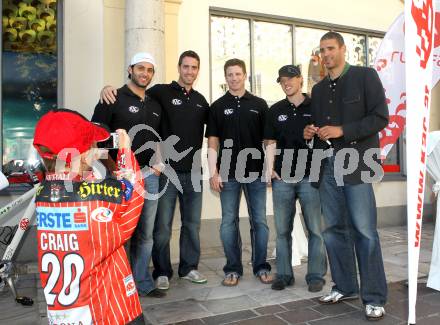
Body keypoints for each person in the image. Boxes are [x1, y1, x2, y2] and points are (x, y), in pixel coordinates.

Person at [100, 50, 210, 290]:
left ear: (197, 71)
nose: (189, 71)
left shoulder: (201, 101)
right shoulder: (161, 92)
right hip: (156, 173)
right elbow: (127, 96)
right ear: (179, 68)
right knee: (160, 227)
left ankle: (187, 268)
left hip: (184, 172)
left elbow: (213, 133)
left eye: (194, 68)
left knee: (189, 225)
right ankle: (160, 272)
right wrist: (107, 88)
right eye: (186, 67)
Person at [304, 31, 389, 320]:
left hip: (358, 163)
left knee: (365, 232)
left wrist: (343, 130)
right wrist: (310, 133)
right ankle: (345, 286)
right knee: (333, 231)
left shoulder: (366, 76)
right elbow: (318, 129)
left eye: (330, 48)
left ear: (342, 49)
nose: (326, 54)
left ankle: (375, 297)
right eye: (322, 50)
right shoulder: (317, 90)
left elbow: (380, 117)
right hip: (327, 166)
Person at [33, 109, 145, 324]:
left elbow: (72, 182)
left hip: (64, 314)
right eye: (91, 145)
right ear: (82, 154)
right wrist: (125, 152)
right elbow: (134, 194)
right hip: (109, 311)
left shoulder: (43, 195)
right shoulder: (98, 201)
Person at [92, 52, 165, 298]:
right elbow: (95, 139)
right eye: (140, 68)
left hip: (149, 177)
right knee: (120, 234)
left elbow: (158, 138)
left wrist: (158, 163)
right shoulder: (112, 98)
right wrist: (114, 168)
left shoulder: (155, 104)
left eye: (150, 70)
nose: (145, 73)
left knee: (146, 234)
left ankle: (141, 283)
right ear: (130, 69)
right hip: (120, 176)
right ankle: (116, 284)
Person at [206, 58, 272, 286]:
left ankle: (261, 266)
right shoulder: (216, 106)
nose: (234, 78)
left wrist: (270, 168)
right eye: (230, 75)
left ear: (245, 76)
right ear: (225, 78)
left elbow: (268, 140)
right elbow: (212, 142)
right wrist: (213, 171)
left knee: (260, 222)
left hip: (256, 173)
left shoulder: (260, 104)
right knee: (228, 223)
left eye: (237, 74)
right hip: (227, 174)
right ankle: (232, 269)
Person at [264, 64, 327, 292]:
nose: (287, 83)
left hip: (310, 176)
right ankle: (284, 274)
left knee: (315, 230)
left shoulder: (316, 106)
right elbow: (270, 142)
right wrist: (269, 169)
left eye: (290, 78)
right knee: (282, 230)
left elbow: (324, 139)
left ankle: (316, 276)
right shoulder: (275, 110)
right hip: (283, 178)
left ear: (300, 80)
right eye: (282, 80)